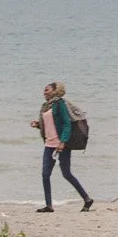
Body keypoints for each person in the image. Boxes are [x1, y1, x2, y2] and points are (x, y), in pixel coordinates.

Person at [30, 81, 92, 212]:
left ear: (54, 91)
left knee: (66, 174)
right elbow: (50, 125)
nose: (44, 92)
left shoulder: (60, 104)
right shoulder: (46, 106)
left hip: (61, 145)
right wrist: (38, 125)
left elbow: (66, 124)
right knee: (45, 174)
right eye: (44, 90)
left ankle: (87, 199)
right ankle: (49, 205)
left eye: (47, 90)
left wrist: (63, 141)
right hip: (49, 144)